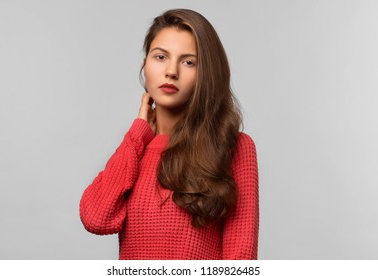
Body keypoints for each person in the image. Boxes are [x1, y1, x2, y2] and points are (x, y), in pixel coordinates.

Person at [79, 8, 259, 260]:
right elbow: (96, 219)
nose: (171, 71)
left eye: (188, 62)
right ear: (145, 65)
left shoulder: (233, 147)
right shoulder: (136, 148)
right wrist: (137, 134)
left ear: (205, 74)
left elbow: (240, 259)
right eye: (161, 57)